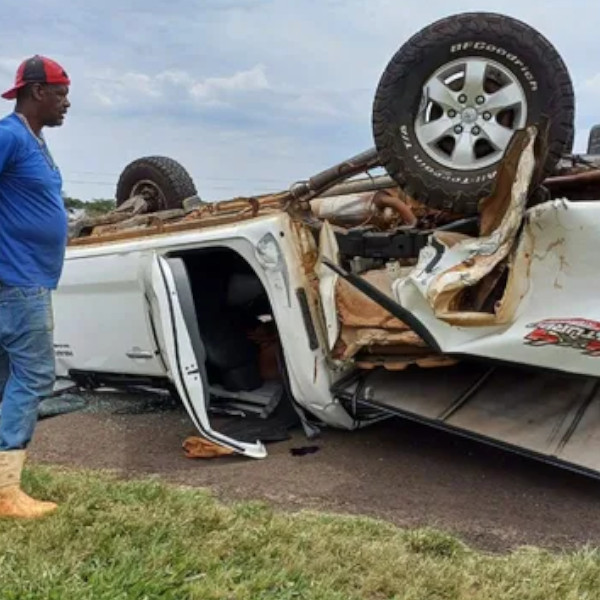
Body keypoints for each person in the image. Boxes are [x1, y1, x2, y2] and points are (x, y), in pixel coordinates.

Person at [0, 55, 70, 518]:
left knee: (7, 377)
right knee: (35, 375)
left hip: (25, 277)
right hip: (18, 280)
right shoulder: (8, 135)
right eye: (62, 93)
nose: (67, 102)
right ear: (37, 92)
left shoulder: (32, 140)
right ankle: (5, 494)